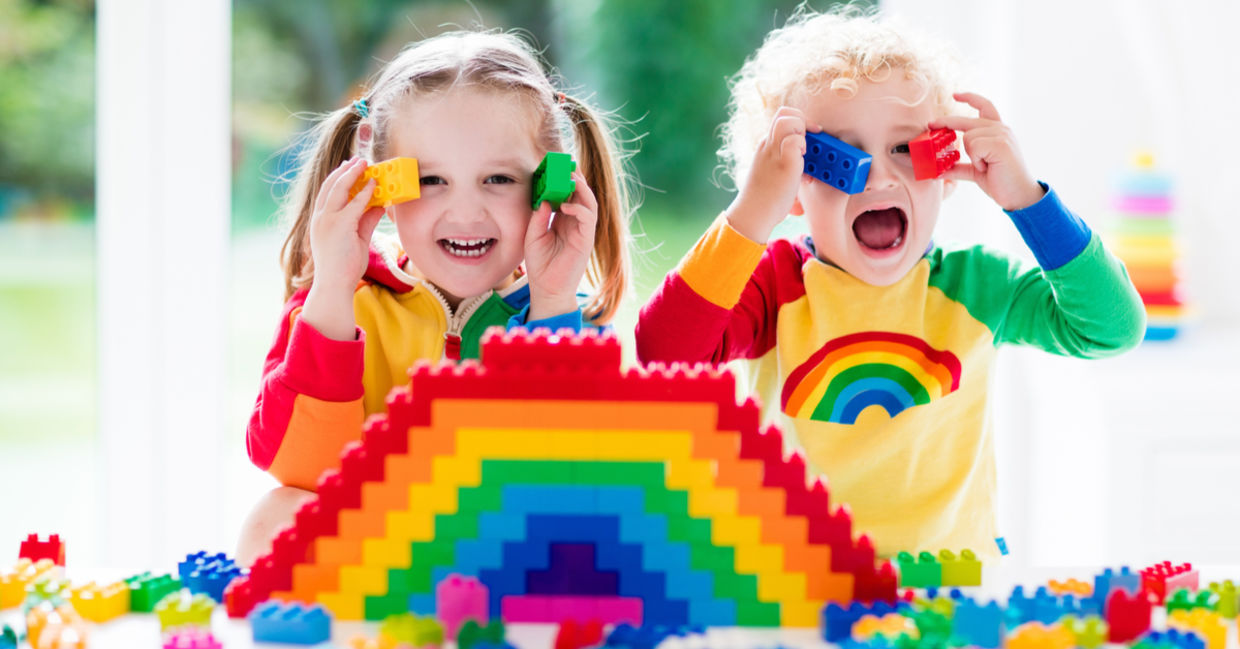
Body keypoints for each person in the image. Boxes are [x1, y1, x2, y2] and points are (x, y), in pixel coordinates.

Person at [635, 6, 1144, 556]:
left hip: (947, 592)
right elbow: (664, 354)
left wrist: (1027, 199)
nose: (877, 175)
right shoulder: (777, 287)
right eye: (837, 156)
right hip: (796, 585)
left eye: (904, 148)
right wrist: (752, 213)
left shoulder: (977, 287)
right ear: (794, 190)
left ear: (946, 168)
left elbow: (1110, 327)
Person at [236, 31, 634, 566]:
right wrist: (332, 290)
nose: (465, 213)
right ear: (380, 183)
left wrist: (552, 301)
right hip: (381, 551)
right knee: (273, 518)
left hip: (502, 552)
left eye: (497, 178)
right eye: (431, 180)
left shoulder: (565, 316)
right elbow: (299, 469)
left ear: (549, 183)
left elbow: (563, 476)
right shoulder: (337, 302)